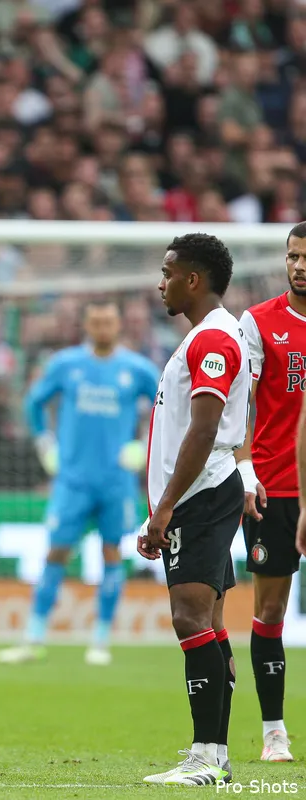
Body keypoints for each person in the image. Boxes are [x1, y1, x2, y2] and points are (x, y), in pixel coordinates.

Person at [138, 233, 248, 786]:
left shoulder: (212, 342)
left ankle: (206, 758)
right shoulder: (208, 337)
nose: (161, 282)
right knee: (209, 622)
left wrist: (163, 509)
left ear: (194, 280)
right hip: (201, 492)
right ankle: (214, 756)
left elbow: (205, 430)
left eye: (168, 271)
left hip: (200, 494)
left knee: (189, 618)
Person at [0, 303, 160, 666]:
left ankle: (101, 640)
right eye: (96, 321)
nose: (102, 326)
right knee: (56, 552)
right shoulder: (65, 365)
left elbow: (167, 406)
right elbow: (35, 403)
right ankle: (33, 638)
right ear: (87, 324)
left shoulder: (136, 369)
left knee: (112, 553)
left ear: (118, 325)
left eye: (108, 320)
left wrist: (143, 444)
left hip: (115, 481)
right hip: (72, 479)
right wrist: (44, 442)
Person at [234, 222, 306, 764]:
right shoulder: (258, 322)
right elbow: (239, 403)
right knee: (271, 608)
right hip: (277, 487)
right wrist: (244, 468)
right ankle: (274, 730)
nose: (299, 265)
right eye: (293, 256)